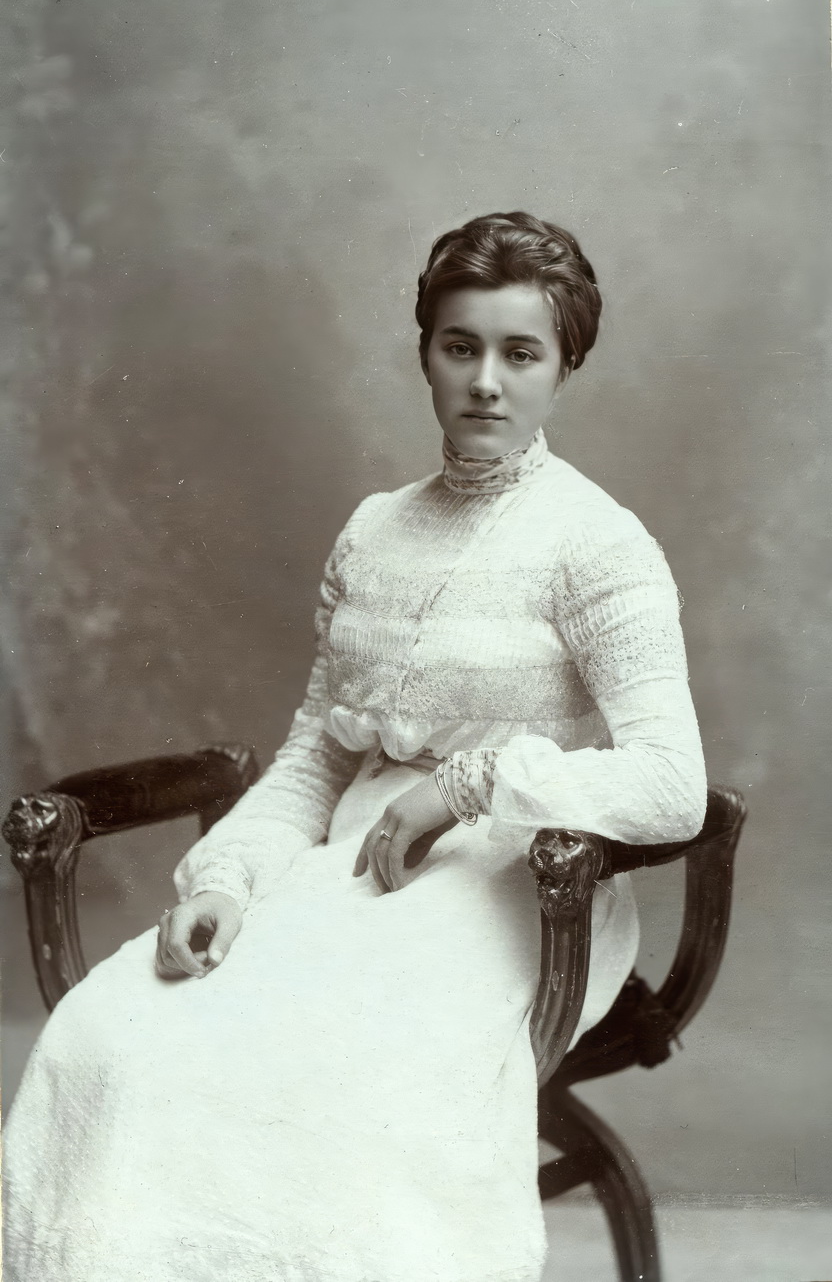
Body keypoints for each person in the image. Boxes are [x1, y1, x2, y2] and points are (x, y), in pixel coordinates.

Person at [3, 212, 706, 1282]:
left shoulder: (599, 546)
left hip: (515, 889)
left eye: (521, 354)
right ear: (425, 352)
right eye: (460, 347)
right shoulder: (373, 530)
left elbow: (671, 783)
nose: (486, 383)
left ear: (565, 365)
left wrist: (467, 785)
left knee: (337, 1065)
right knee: (117, 1034)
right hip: (348, 877)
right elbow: (317, 756)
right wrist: (228, 880)